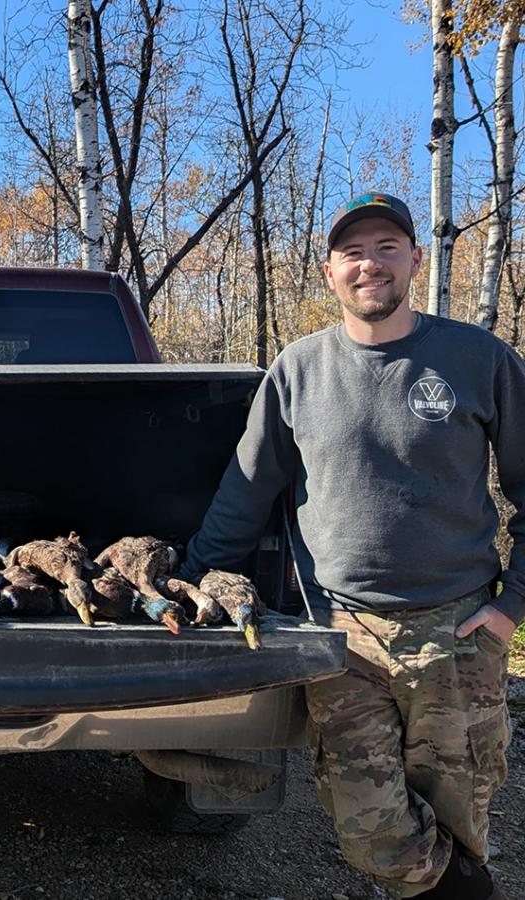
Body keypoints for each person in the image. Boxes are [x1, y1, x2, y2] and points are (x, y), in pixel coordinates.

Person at [181, 191, 521, 899]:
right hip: (341, 637)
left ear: (416, 260)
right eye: (353, 252)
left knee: (459, 820)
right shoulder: (298, 370)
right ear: (329, 272)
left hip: (456, 631)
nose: (371, 264)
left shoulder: (478, 358)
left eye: (387, 248)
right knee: (371, 830)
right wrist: (193, 580)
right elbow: (245, 491)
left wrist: (511, 606)